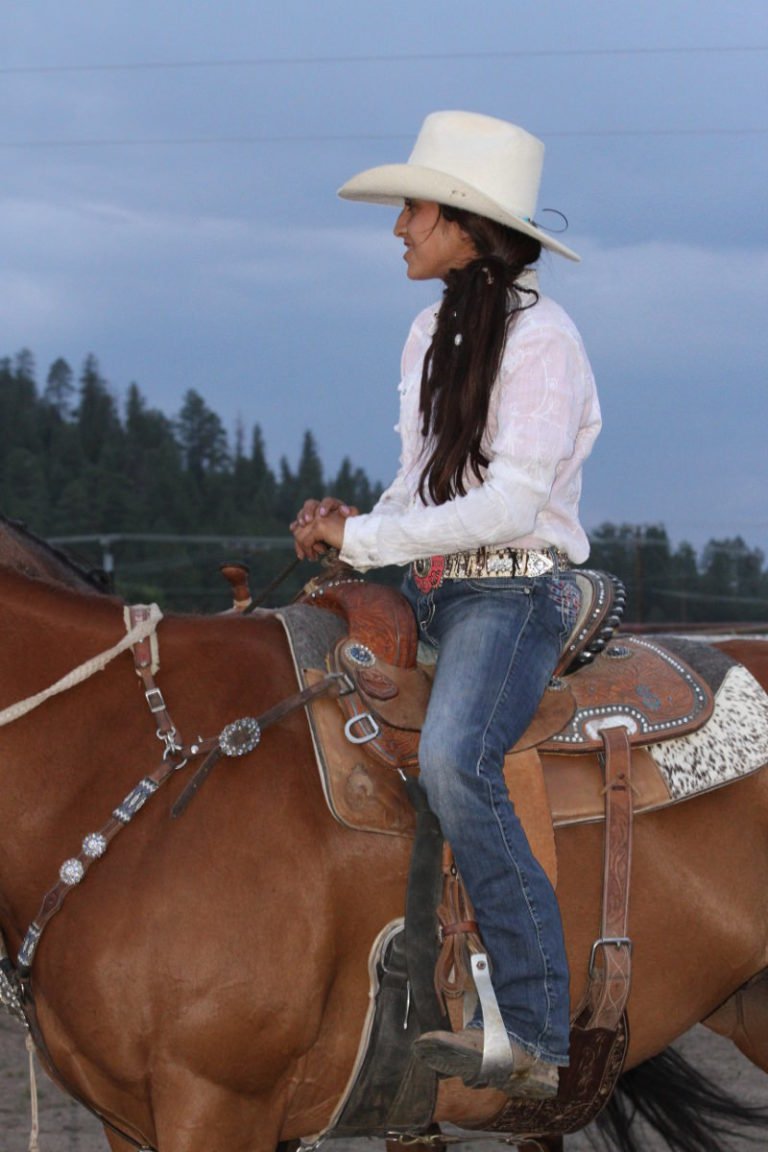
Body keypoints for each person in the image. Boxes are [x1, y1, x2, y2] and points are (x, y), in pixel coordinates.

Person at [291, 110, 601, 1099]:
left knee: (452, 762)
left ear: (468, 223)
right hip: (441, 588)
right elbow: (419, 481)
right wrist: (357, 525)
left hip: (515, 597)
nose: (398, 229)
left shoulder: (545, 338)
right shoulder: (434, 329)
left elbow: (511, 502)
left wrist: (371, 544)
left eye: (414, 209)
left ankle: (540, 1031)